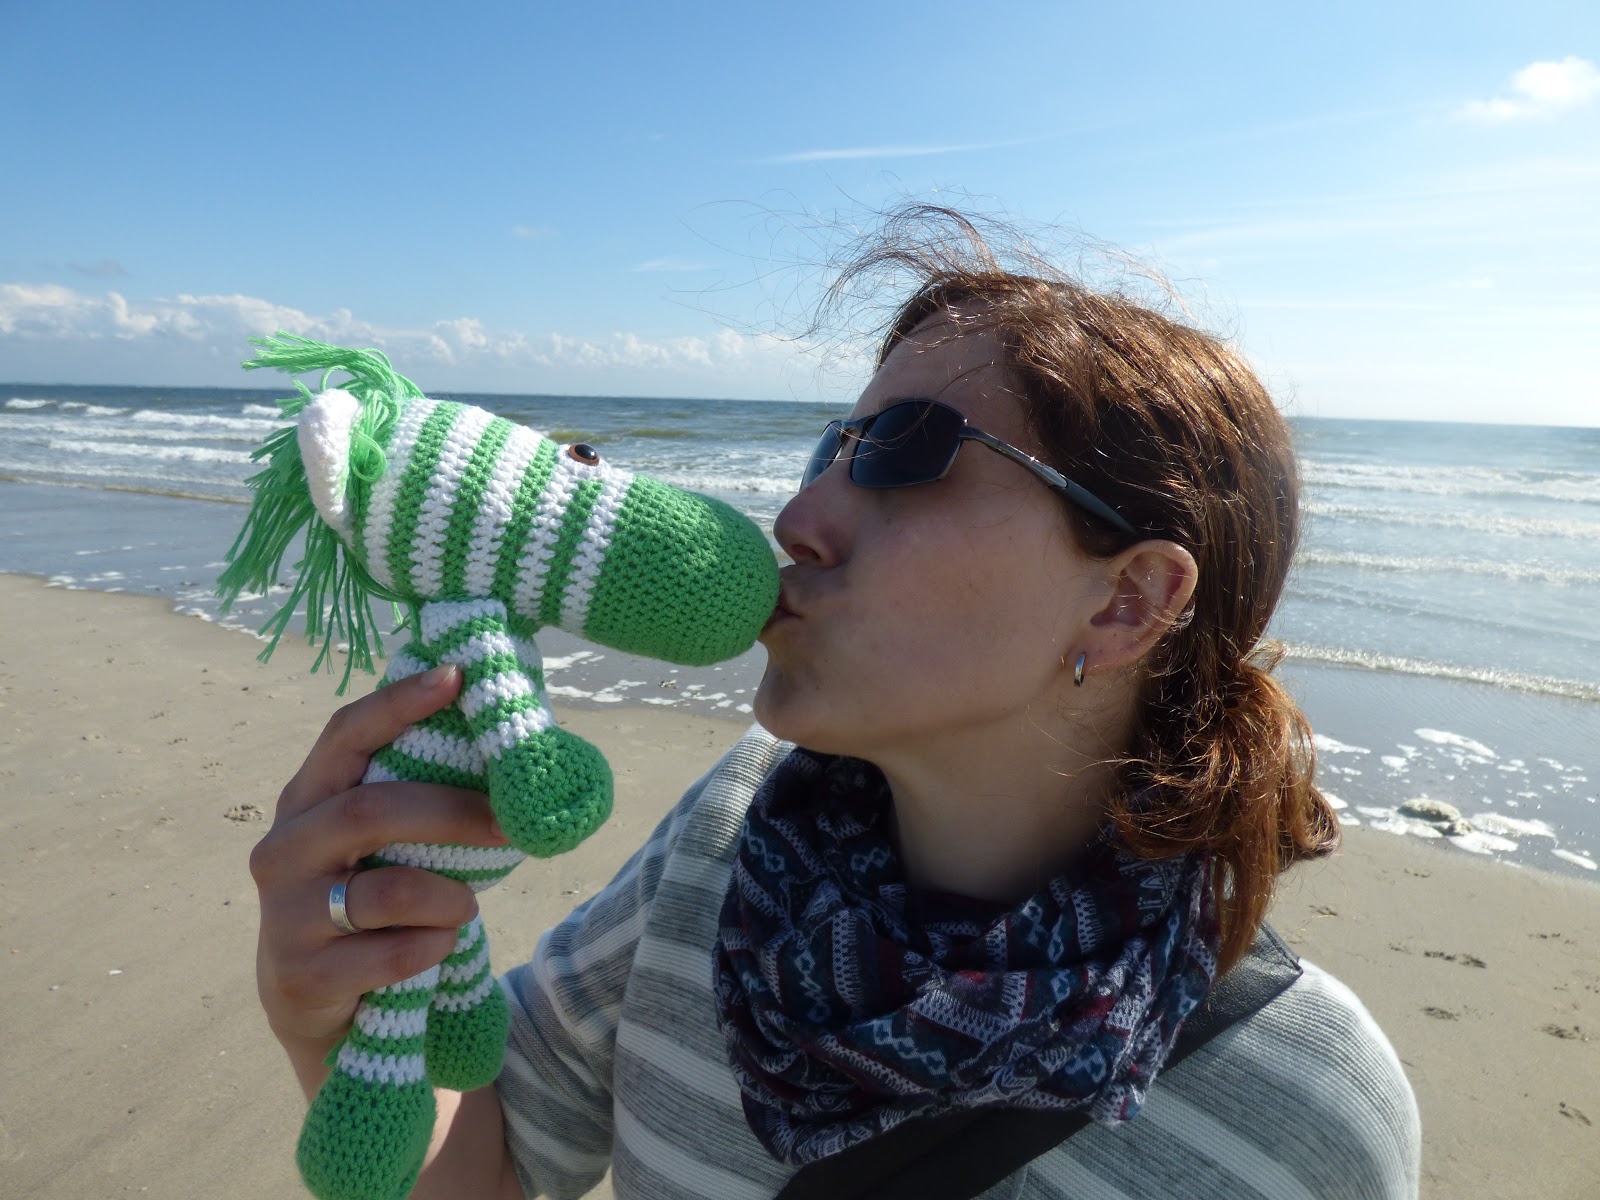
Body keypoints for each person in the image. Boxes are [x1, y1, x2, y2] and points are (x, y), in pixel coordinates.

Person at [249, 210, 1421, 1199]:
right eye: (829, 449)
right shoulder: (725, 843)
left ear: (1127, 603)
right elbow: (503, 1163)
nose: (798, 517)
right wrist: (328, 1016)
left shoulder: (1306, 1110)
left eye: (904, 453)